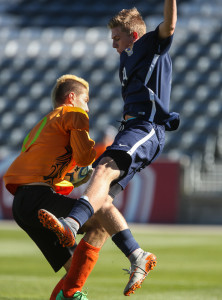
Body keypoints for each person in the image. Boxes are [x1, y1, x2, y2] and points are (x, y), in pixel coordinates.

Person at [38, 0, 179, 298]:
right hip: (130, 129)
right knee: (101, 206)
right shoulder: (126, 57)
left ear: (133, 35)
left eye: (117, 38)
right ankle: (137, 255)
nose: (113, 45)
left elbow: (170, 25)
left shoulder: (152, 44)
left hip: (147, 127)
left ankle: (71, 222)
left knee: (101, 171)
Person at [3, 74, 110, 300]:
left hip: (22, 203)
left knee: (74, 269)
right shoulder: (73, 114)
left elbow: (47, 168)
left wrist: (71, 178)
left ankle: (70, 294)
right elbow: (83, 157)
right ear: (72, 98)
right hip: (39, 197)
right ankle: (73, 294)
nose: (87, 108)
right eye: (86, 100)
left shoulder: (42, 125)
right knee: (101, 223)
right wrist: (93, 165)